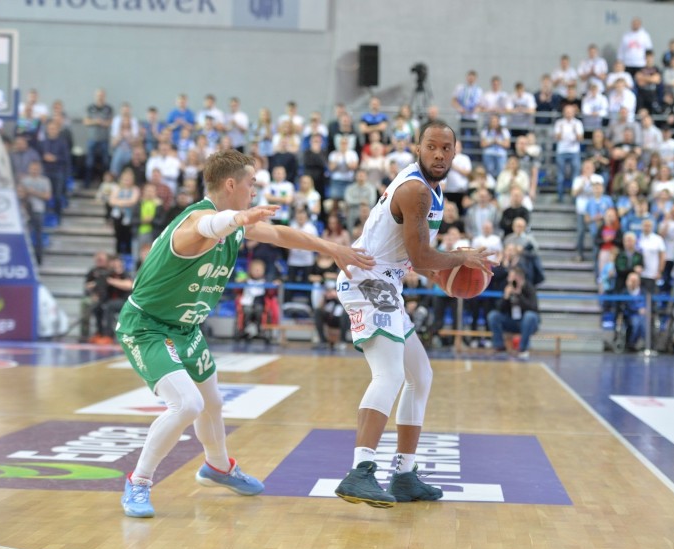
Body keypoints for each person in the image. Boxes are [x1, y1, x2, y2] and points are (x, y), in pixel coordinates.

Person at [116, 150, 374, 517]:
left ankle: (218, 467)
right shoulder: (195, 221)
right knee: (188, 404)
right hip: (146, 327)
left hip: (185, 328)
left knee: (214, 403)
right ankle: (138, 482)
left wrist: (329, 246)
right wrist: (237, 218)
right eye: (251, 184)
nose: (255, 191)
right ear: (231, 184)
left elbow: (280, 234)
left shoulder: (234, 224)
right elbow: (209, 226)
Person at [333, 120, 493, 508]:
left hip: (386, 281)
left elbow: (413, 256)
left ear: (455, 153)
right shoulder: (415, 191)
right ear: (417, 149)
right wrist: (460, 258)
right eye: (431, 147)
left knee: (420, 375)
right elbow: (421, 255)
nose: (438, 154)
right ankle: (360, 471)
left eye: (445, 149)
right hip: (366, 280)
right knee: (389, 373)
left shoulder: (433, 190)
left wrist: (445, 277)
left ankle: (404, 474)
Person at [487, 266, 539, 360]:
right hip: (512, 321)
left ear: (518, 278)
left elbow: (533, 308)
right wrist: (505, 297)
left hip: (526, 322)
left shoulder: (529, 288)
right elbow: (499, 309)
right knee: (493, 316)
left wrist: (519, 295)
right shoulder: (507, 288)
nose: (508, 279)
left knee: (530, 316)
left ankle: (522, 349)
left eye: (510, 277)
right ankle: (499, 346)